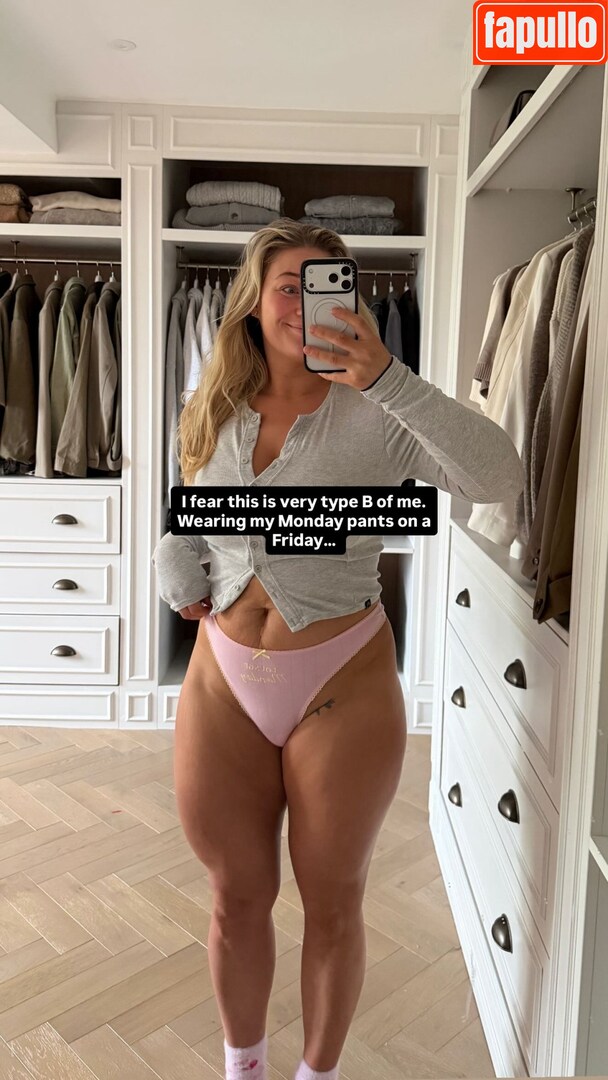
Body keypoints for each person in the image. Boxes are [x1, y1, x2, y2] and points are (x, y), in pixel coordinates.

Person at [152, 219, 524, 1080]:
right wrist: (175, 557)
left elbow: (498, 478)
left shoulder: (381, 410)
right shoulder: (209, 403)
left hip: (340, 680)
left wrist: (390, 378)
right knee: (235, 897)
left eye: (328, 285)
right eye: (288, 285)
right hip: (221, 679)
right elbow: (194, 513)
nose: (305, 304)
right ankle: (244, 1069)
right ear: (253, 301)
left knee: (333, 903)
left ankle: (317, 1075)